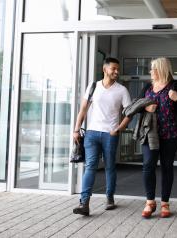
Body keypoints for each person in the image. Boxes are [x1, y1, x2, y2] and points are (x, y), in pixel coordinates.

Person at [72, 57, 131, 216]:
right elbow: (83, 109)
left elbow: (129, 113)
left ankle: (110, 197)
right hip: (91, 133)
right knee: (90, 166)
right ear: (105, 69)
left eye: (118, 69)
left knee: (110, 166)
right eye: (113, 69)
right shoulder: (93, 86)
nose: (116, 72)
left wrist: (118, 129)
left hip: (110, 134)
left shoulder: (122, 90)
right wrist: (76, 130)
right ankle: (84, 203)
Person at [137, 57, 177, 218]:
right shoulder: (148, 87)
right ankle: (149, 202)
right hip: (150, 133)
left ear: (161, 69)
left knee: (167, 166)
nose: (150, 72)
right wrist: (146, 106)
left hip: (171, 134)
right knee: (148, 165)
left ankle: (165, 203)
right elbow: (137, 105)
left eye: (152, 68)